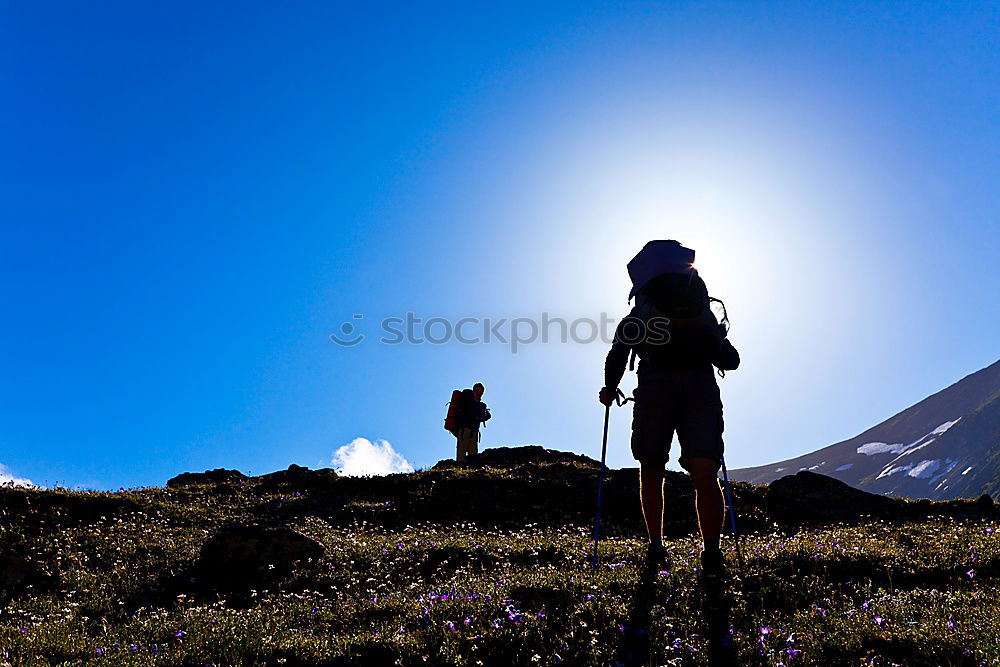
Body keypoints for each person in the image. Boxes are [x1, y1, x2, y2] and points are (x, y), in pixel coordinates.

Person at [598, 247, 740, 575]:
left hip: (653, 390)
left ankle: (656, 546)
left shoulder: (642, 311)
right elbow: (730, 361)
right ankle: (712, 553)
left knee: (651, 468)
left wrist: (609, 387)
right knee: (705, 474)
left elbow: (618, 353)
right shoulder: (701, 309)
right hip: (701, 391)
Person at [455, 382, 491, 461]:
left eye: (480, 392)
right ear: (473, 391)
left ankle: (469, 471)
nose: (478, 393)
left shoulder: (482, 406)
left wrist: (487, 416)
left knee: (473, 457)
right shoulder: (467, 402)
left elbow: (480, 418)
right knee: (461, 457)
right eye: (477, 391)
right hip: (464, 431)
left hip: (474, 433)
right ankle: (460, 471)